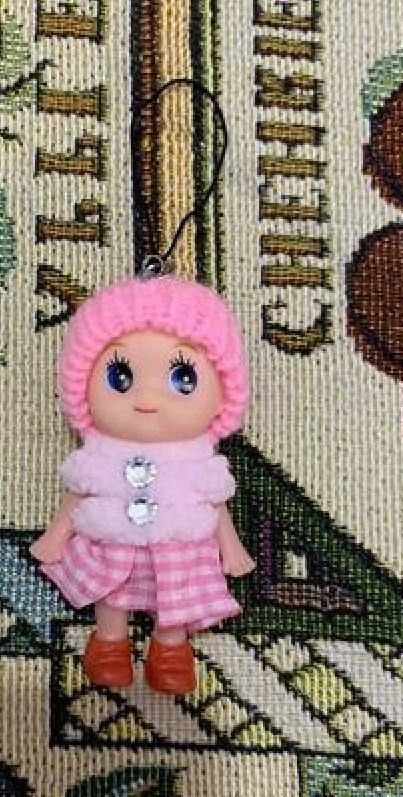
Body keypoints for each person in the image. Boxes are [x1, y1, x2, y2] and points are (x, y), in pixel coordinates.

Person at [31, 275, 254, 695]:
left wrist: (232, 548)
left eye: (183, 379)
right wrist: (55, 536)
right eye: (120, 377)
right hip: (113, 542)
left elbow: (215, 503)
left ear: (222, 397)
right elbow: (78, 495)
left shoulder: (197, 459)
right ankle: (108, 642)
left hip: (180, 548)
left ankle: (170, 648)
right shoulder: (101, 453)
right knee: (111, 589)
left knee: (176, 597)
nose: (147, 399)